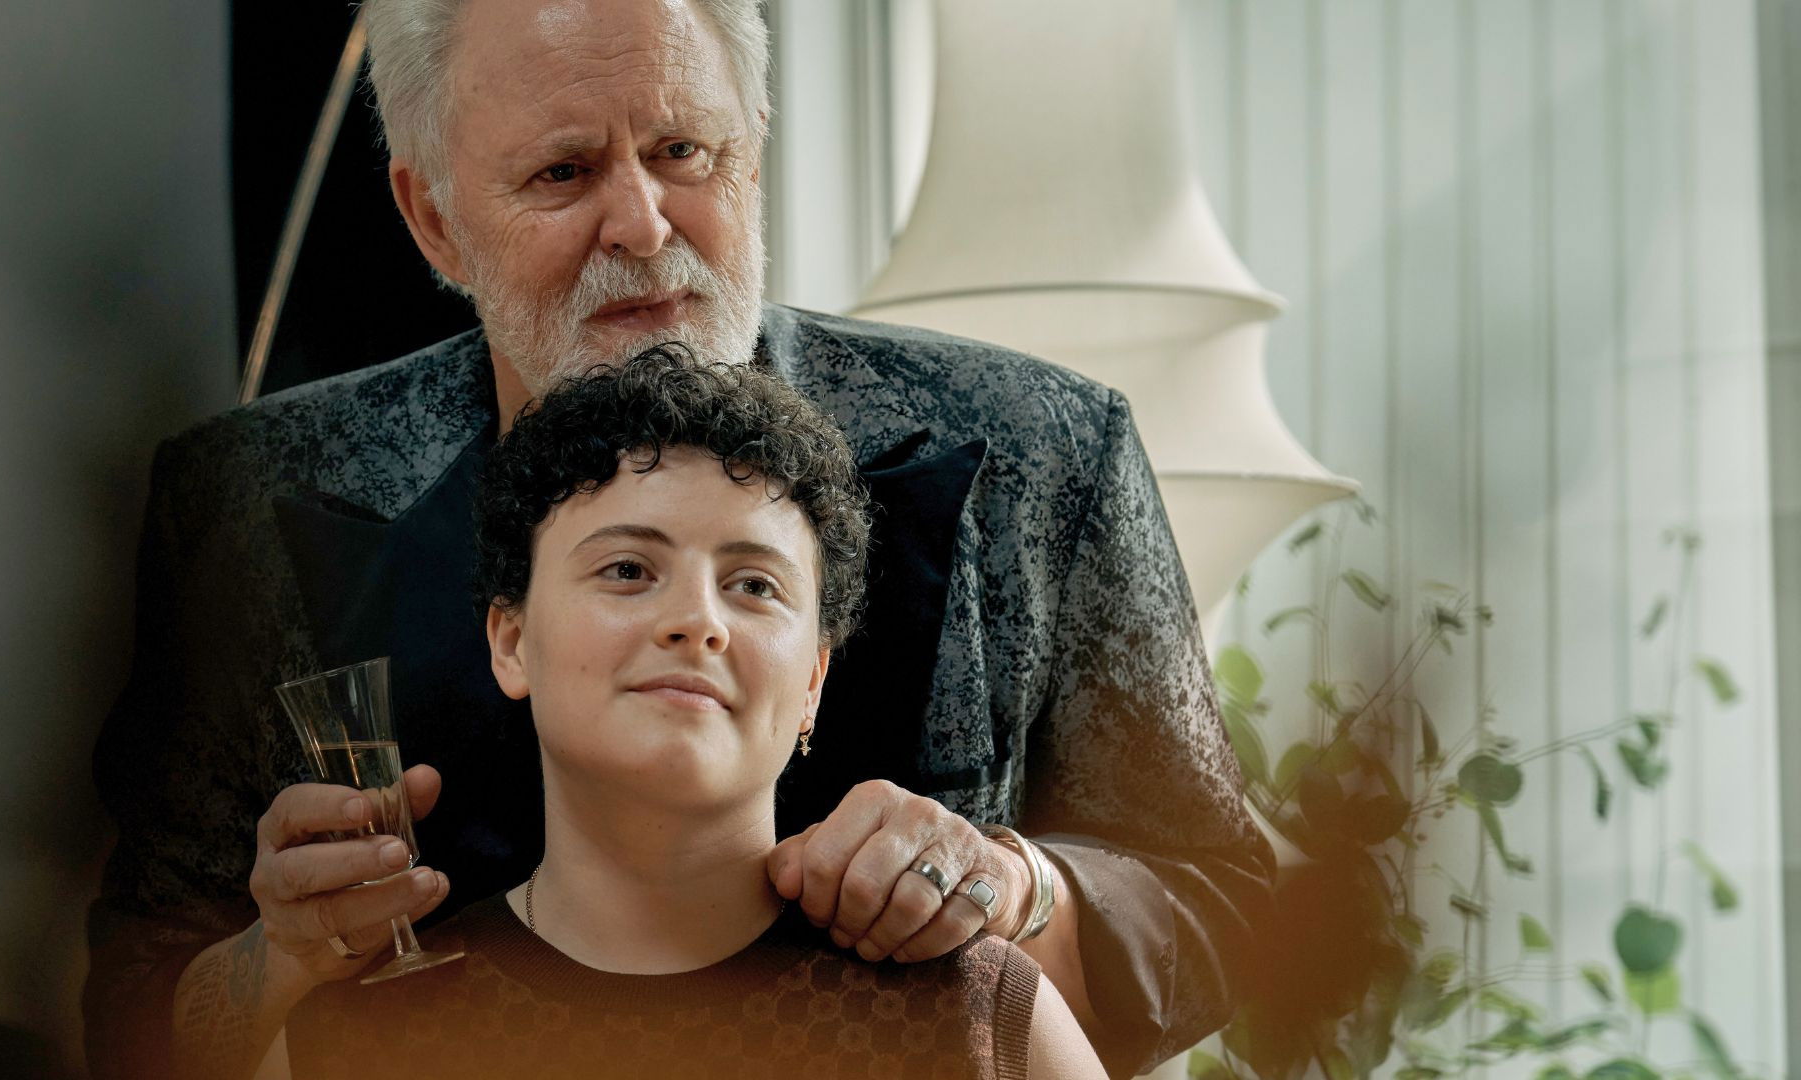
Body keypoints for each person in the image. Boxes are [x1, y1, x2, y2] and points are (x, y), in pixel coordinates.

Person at [84, 1, 1272, 1077]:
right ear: (434, 218)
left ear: (753, 150)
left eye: (684, 152)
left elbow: (1226, 911)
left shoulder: (1043, 445)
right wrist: (277, 958)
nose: (644, 225)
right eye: (563, 172)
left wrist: (1014, 886)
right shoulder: (245, 500)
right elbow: (135, 1012)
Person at [282, 346, 1106, 1079]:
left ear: (814, 682)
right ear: (513, 641)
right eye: (628, 570)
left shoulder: (973, 1015)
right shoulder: (354, 1041)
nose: (697, 621)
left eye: (754, 585)